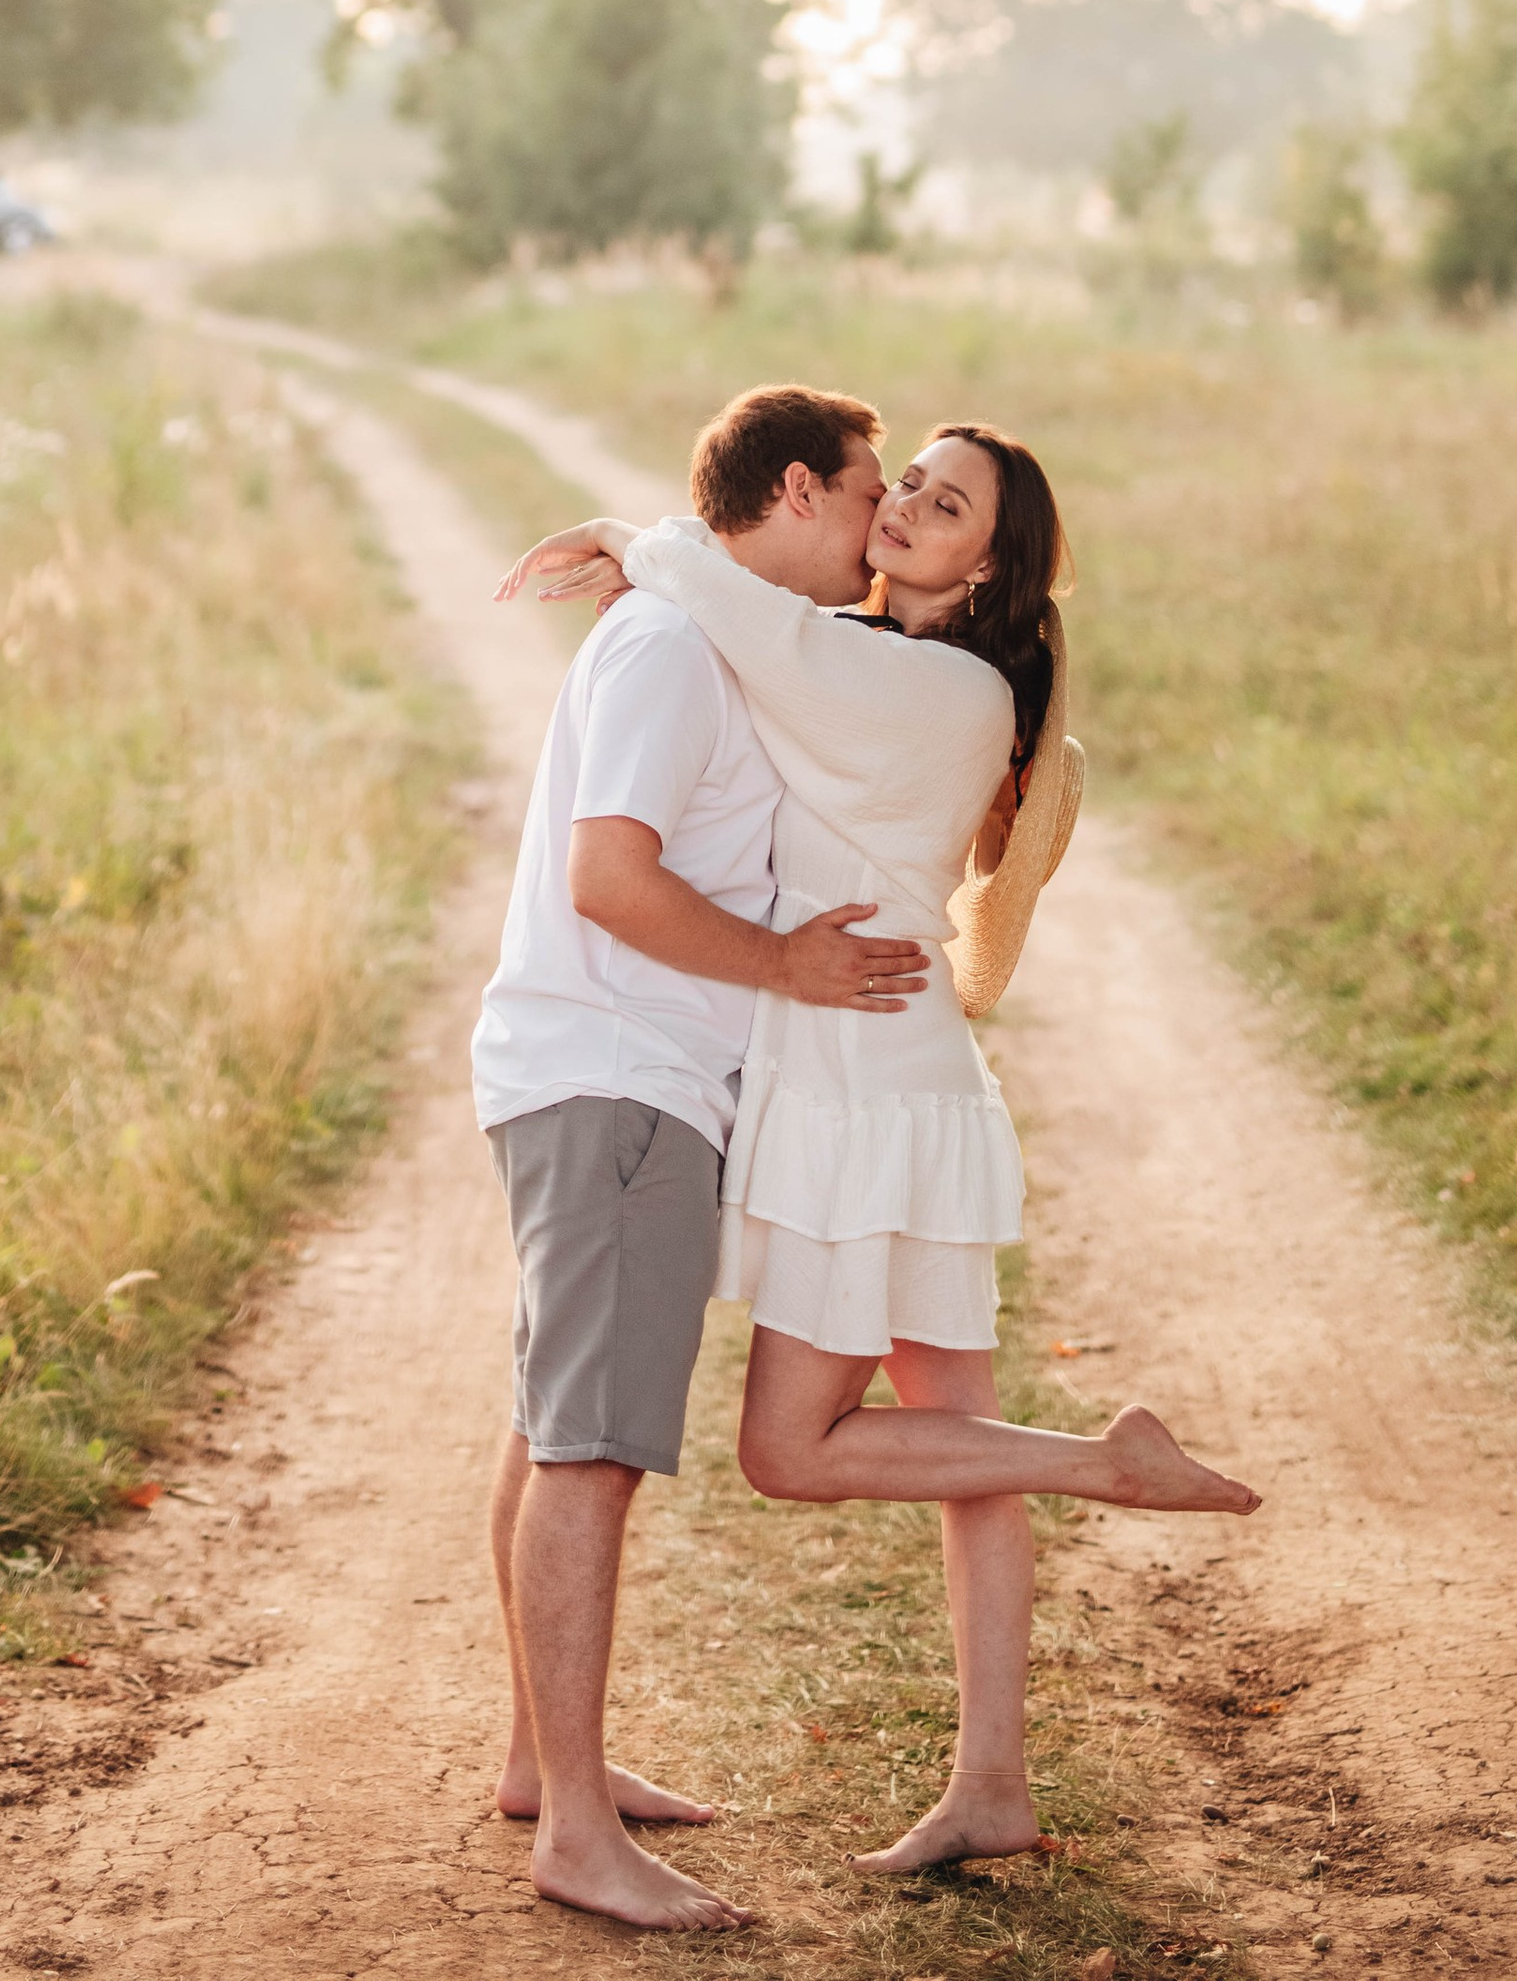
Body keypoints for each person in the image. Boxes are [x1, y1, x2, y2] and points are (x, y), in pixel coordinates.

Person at [500, 416, 1260, 1879]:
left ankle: (1102, 1464)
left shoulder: (945, 690)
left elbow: (743, 616)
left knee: (789, 1451)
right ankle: (992, 1784)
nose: (904, 502)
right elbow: (751, 624)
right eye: (902, 477)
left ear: (987, 572)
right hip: (882, 1079)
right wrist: (652, 570)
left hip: (864, 1091)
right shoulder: (870, 664)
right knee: (956, 1447)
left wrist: (631, 540)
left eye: (944, 500)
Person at [470, 383, 932, 1933]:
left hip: (605, 1076)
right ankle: (579, 1838)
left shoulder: (699, 629)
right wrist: (780, 965)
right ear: (798, 491)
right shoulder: (673, 650)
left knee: (551, 1432)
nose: (883, 529)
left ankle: (550, 1770)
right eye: (873, 492)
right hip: (619, 1078)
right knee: (591, 1450)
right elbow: (612, 875)